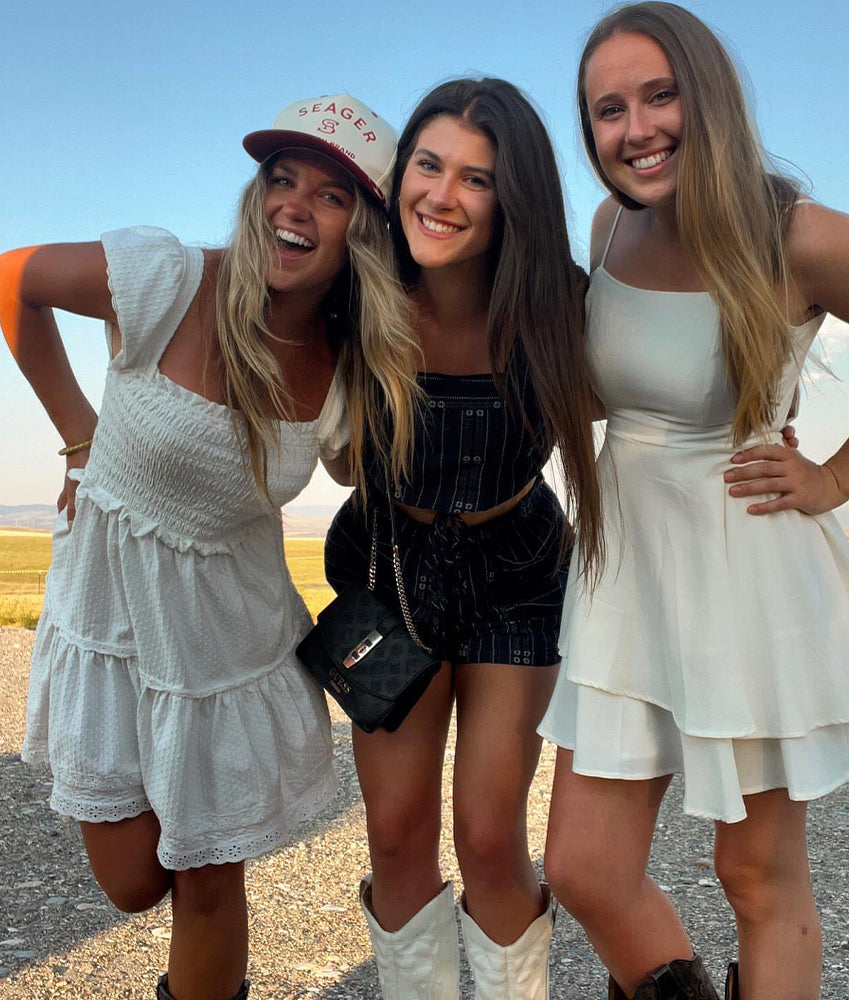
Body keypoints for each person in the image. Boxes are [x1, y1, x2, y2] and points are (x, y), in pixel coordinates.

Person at [537, 6, 849, 1000]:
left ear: (710, 96)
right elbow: (620, 387)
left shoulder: (800, 236)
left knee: (755, 875)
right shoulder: (609, 226)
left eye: (660, 95)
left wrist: (835, 478)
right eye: (608, 109)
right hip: (625, 575)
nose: (637, 129)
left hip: (746, 575)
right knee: (583, 866)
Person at [0, 94, 419, 1000]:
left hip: (228, 646)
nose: (293, 206)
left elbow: (359, 469)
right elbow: (13, 277)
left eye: (331, 195)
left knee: (208, 878)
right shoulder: (166, 279)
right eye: (280, 179)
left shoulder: (351, 367)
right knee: (131, 883)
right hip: (115, 619)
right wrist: (78, 435)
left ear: (366, 233)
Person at [322, 78, 603, 1000]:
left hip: (517, 572)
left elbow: (673, 382)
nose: (441, 196)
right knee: (396, 831)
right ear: (398, 172)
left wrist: (770, 420)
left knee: (488, 832)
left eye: (476, 179)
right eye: (428, 165)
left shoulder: (564, 303)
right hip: (383, 573)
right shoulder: (354, 290)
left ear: (513, 198)